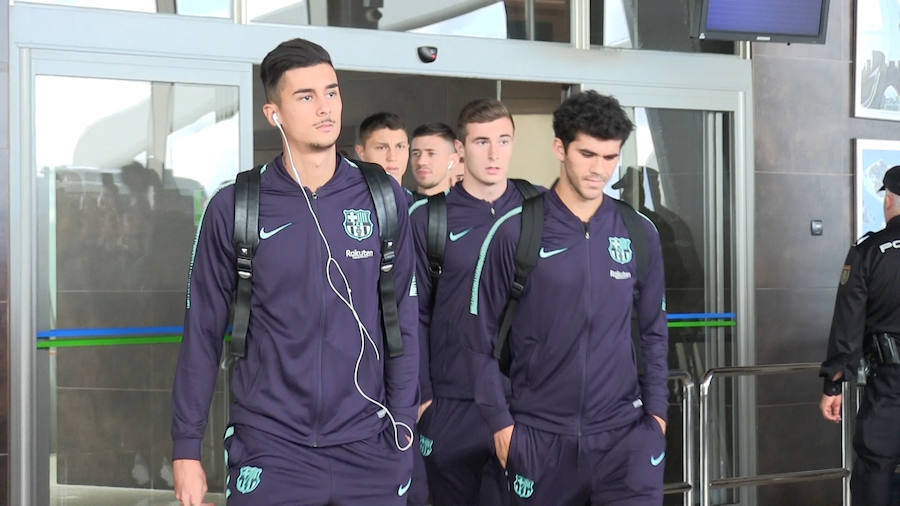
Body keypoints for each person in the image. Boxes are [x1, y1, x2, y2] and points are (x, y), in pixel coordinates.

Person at [171, 38, 419, 506]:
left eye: (332, 91)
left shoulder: (384, 199)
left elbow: (403, 323)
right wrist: (186, 447)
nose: (325, 108)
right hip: (271, 449)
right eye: (305, 97)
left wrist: (402, 432)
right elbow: (202, 332)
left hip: (369, 446)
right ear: (274, 113)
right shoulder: (236, 207)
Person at [465, 90, 669, 505]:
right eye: (588, 154)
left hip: (624, 440)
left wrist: (657, 422)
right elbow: (479, 339)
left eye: (610, 158)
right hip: (540, 439)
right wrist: (502, 425)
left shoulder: (638, 232)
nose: (600, 170)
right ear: (560, 148)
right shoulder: (515, 232)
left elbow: (653, 333)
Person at [411, 98, 537, 505]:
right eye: (482, 141)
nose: (494, 152)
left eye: (503, 140)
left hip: (526, 403)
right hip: (453, 403)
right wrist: (424, 397)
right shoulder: (429, 219)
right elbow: (415, 315)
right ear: (460, 150)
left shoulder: (539, 212)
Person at [820, 165, 900, 506]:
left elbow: (847, 325)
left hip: (888, 386)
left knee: (876, 471)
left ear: (890, 201)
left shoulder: (870, 251)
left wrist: (833, 384)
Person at [355, 111, 410, 184]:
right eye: (382, 148)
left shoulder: (414, 195)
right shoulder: (348, 195)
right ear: (361, 153)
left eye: (400, 147)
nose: (392, 157)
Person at [410, 122, 459, 196]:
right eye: (416, 153)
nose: (421, 161)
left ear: (453, 161)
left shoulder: (467, 206)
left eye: (431, 153)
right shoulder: (399, 205)